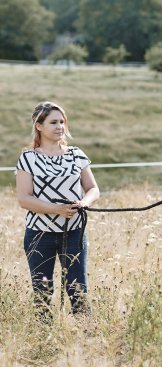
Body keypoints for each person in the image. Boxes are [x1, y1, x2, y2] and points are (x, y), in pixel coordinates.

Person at [15, 101, 100, 319]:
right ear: (39, 126)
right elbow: (24, 198)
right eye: (53, 122)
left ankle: (86, 338)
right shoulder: (28, 158)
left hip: (74, 233)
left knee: (78, 289)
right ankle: (43, 341)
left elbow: (92, 188)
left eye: (62, 122)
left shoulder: (77, 155)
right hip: (39, 234)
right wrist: (56, 209)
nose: (60, 126)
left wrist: (84, 203)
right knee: (42, 291)